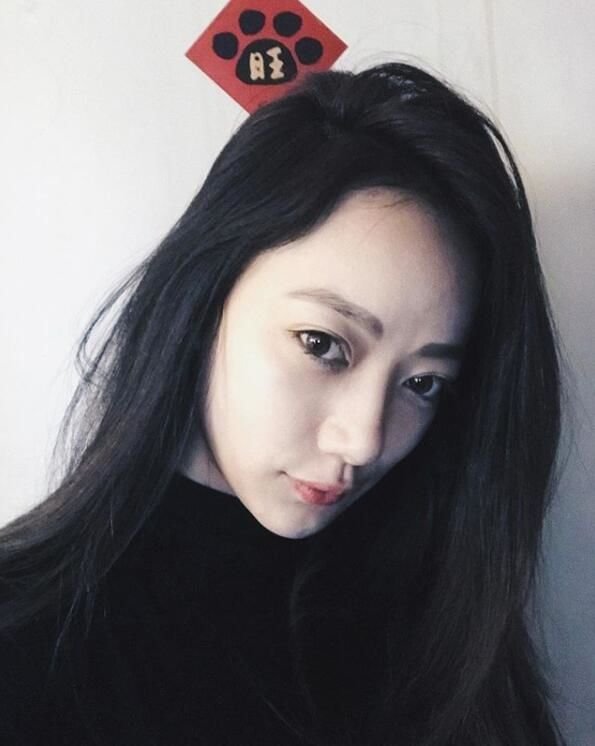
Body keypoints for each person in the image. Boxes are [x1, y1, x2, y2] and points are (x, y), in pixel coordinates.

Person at [0, 62, 565, 745]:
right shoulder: (25, 642)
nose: (363, 440)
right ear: (204, 296)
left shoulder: (439, 633)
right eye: (323, 345)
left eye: (422, 384)